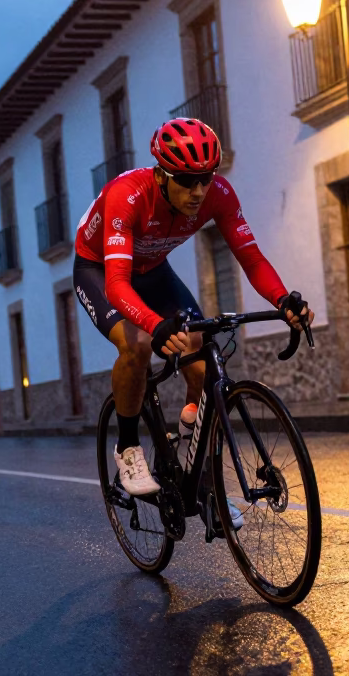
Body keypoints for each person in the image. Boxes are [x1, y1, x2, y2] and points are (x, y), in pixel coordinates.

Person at [71, 117, 314, 514]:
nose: (198, 190)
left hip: (153, 271)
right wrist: (153, 324)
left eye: (205, 177)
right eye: (186, 180)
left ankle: (195, 468)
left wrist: (282, 299)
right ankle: (128, 449)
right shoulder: (127, 195)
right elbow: (117, 283)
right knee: (137, 346)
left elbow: (250, 258)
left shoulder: (218, 193)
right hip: (100, 269)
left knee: (201, 358)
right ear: (162, 174)